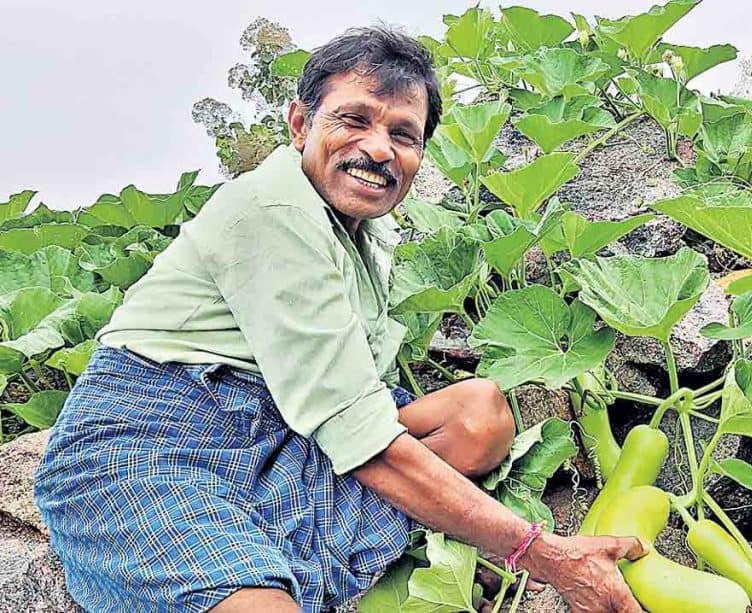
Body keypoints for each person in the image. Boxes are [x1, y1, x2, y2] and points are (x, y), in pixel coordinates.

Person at [33, 25, 646, 613]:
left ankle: (290, 547)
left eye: (403, 134)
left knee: (478, 416)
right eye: (353, 120)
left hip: (285, 431)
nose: (379, 149)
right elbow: (365, 442)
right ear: (301, 124)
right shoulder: (270, 210)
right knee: (262, 603)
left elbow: (357, 402)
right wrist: (543, 553)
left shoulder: (367, 233)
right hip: (155, 438)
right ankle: (265, 564)